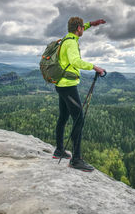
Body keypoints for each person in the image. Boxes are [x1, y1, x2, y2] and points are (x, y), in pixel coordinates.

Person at [52, 16, 106, 172]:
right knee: (79, 119)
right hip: (68, 86)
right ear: (78, 29)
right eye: (83, 27)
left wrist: (92, 24)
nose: (84, 29)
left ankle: (59, 150)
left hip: (60, 84)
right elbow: (75, 62)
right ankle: (76, 159)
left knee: (63, 117)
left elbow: (81, 28)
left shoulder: (67, 38)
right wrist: (94, 67)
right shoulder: (71, 43)